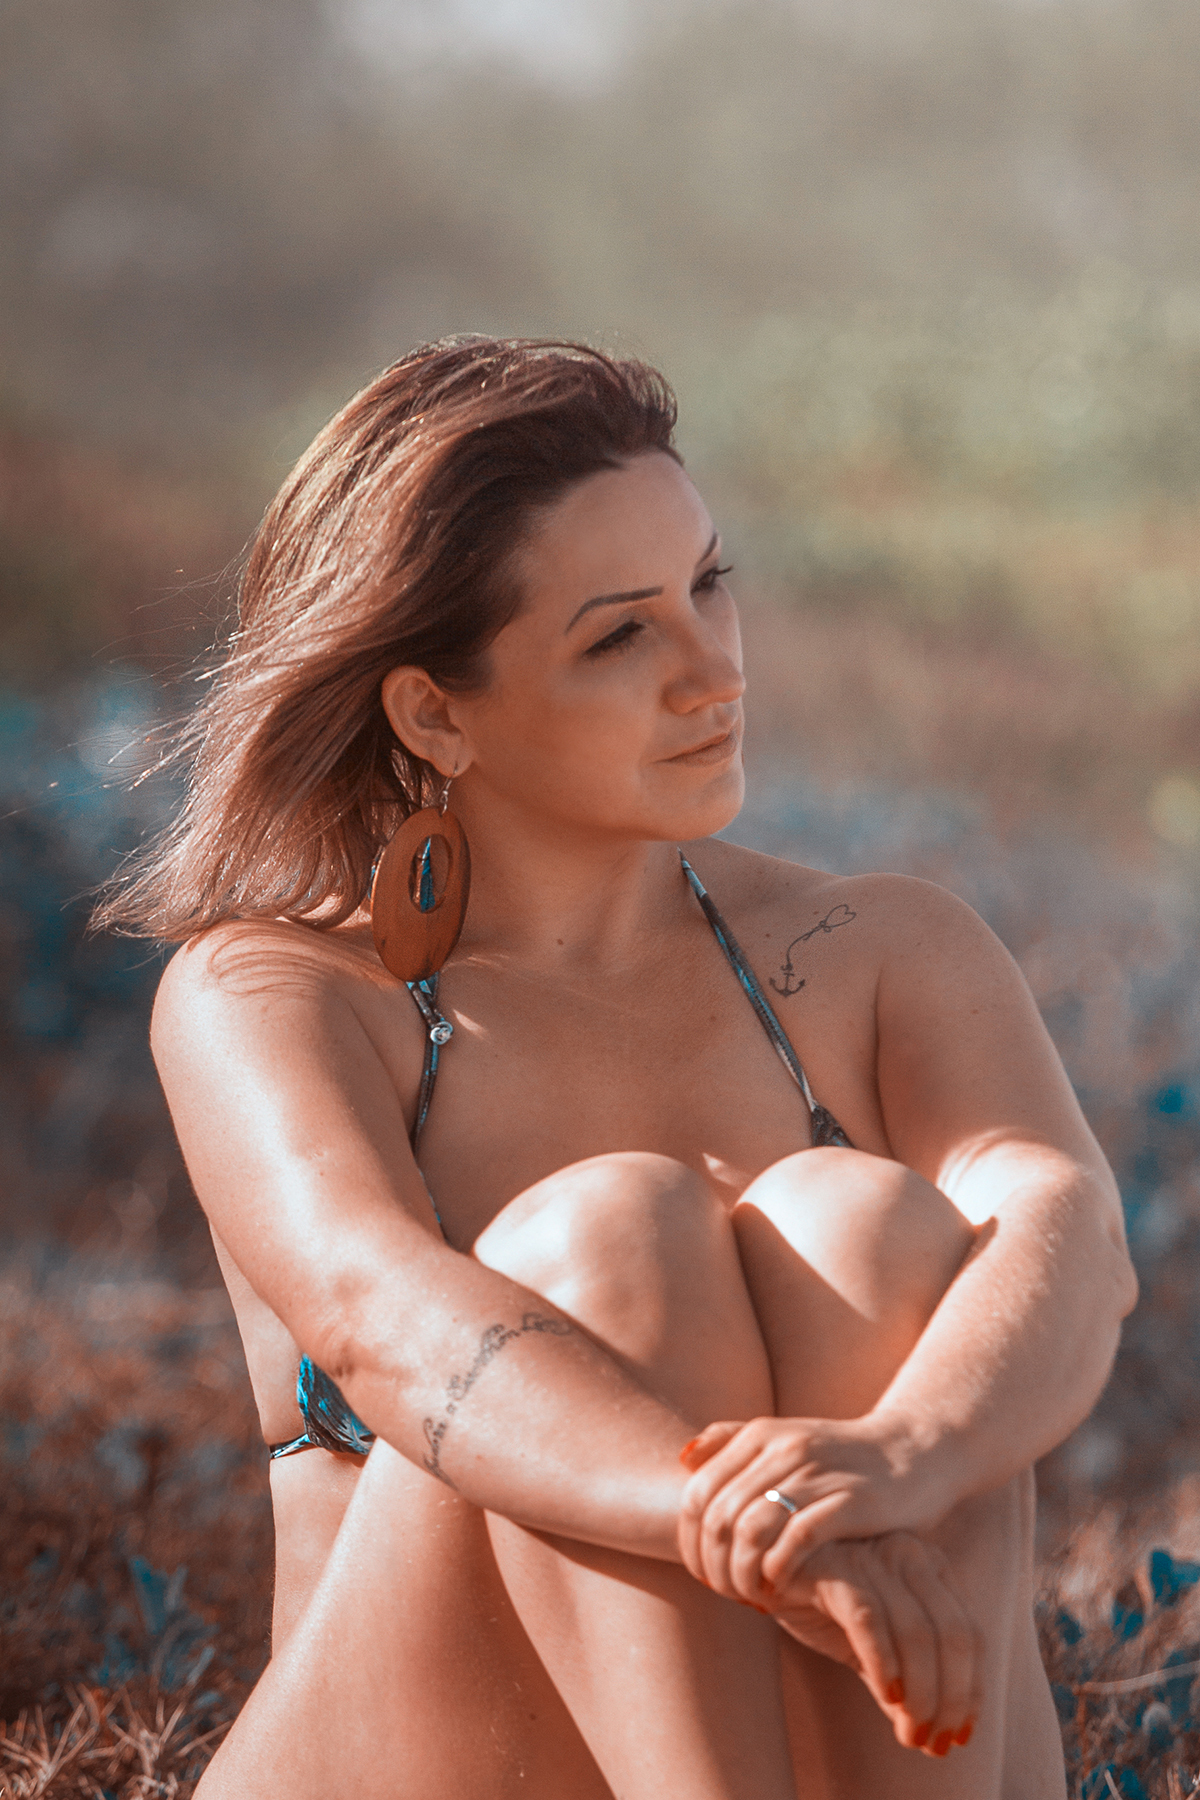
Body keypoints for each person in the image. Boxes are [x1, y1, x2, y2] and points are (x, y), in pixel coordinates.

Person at [98, 337, 1136, 1799]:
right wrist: (732, 1519)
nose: (714, 670)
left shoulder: (886, 951)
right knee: (607, 1239)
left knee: (863, 1227)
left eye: (710, 584)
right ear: (435, 712)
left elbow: (1071, 1236)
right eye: (619, 638)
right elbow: (380, 1315)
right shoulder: (280, 994)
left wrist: (899, 1456)